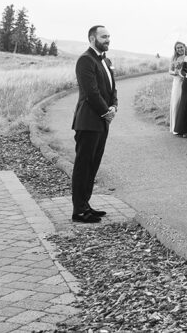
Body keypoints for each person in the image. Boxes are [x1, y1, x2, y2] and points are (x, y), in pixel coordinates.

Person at [71, 25, 117, 224]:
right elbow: (91, 92)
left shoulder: (105, 60)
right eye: (104, 36)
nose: (108, 39)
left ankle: (85, 205)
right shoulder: (85, 60)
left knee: (93, 165)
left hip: (102, 122)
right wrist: (105, 112)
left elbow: (111, 88)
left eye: (108, 36)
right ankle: (78, 211)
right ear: (92, 38)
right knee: (83, 166)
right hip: (88, 121)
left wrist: (114, 105)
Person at [168, 42, 187, 134]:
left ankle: (183, 125)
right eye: (177, 48)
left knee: (185, 103)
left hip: (186, 81)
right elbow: (169, 71)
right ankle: (175, 126)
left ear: (184, 47)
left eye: (181, 47)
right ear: (175, 49)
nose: (179, 49)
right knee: (176, 102)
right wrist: (175, 73)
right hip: (177, 81)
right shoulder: (174, 58)